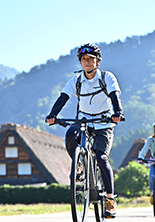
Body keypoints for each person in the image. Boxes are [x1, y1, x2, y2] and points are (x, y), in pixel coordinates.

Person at [45, 43, 123, 217]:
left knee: (101, 158)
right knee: (70, 134)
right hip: (83, 122)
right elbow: (63, 97)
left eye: (90, 59)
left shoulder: (107, 77)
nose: (87, 62)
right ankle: (79, 164)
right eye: (83, 59)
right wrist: (52, 114)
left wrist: (117, 112)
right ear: (80, 62)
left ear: (98, 61)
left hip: (103, 124)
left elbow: (114, 95)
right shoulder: (77, 80)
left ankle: (110, 200)